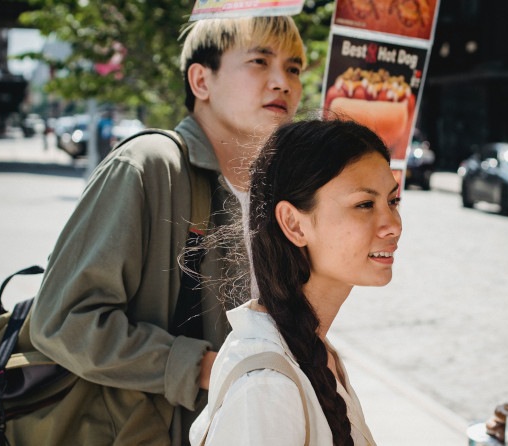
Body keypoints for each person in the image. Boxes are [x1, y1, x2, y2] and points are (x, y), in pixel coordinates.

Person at [25, 16, 306, 446]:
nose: (282, 82)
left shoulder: (282, 197)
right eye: (259, 61)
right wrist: (201, 367)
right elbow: (64, 321)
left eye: (294, 68)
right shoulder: (149, 167)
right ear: (201, 80)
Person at [190, 118, 402, 445]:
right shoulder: (266, 388)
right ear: (293, 223)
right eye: (364, 204)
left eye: (393, 201)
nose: (393, 225)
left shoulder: (314, 349)